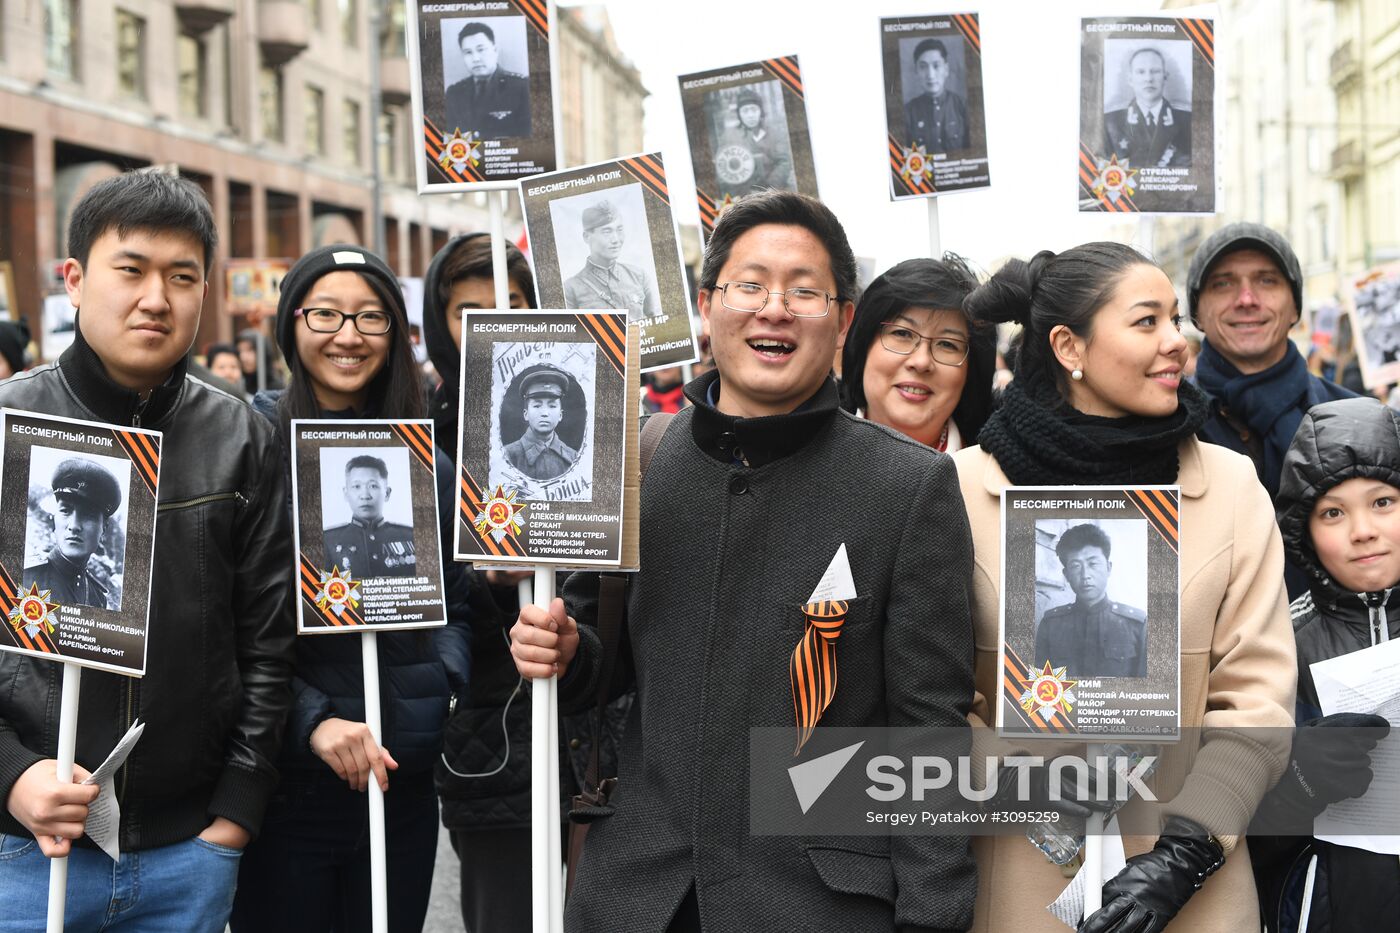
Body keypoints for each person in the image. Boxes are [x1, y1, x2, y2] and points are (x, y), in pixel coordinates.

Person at [511, 190, 978, 932]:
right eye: (750, 284)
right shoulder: (634, 460)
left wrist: (932, 915)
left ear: (844, 318)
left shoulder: (907, 487)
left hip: (818, 904)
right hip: (639, 895)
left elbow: (929, 731)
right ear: (707, 304)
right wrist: (564, 650)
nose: (775, 308)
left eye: (804, 289)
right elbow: (610, 669)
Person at [954, 243, 1296, 933]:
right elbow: (927, 701)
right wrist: (1030, 788)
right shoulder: (959, 491)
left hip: (1195, 896)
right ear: (1067, 345)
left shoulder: (1230, 491)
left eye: (1176, 318)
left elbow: (1256, 706)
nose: (1178, 341)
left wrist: (1185, 852)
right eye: (1148, 322)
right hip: (1023, 888)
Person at [0, 171, 295, 932]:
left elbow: (267, 642)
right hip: (24, 850)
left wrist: (234, 811)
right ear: (74, 278)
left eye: (181, 276)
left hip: (185, 856)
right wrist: (12, 775)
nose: (155, 298)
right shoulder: (7, 427)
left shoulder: (242, 436)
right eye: (130, 270)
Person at [229, 244, 471, 933]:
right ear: (290, 324)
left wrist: (441, 677)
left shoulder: (426, 459)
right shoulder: (248, 444)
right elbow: (221, 616)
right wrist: (309, 719)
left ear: (395, 331)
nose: (348, 335)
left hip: (402, 778)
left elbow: (455, 599)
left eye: (371, 318)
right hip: (283, 784)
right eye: (326, 314)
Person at [1249, 396, 1396, 933]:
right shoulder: (1278, 647)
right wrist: (1300, 782)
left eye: (1382, 502)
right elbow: (1245, 837)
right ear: (1304, 532)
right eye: (1333, 512)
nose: (1362, 530)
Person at [1189, 222, 1356, 597]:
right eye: (1223, 283)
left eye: (1266, 281)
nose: (1246, 299)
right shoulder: (1167, 425)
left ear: (1295, 305)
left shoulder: (1355, 417)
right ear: (1197, 311)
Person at [839, 255, 994, 452]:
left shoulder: (1000, 474)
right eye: (902, 333)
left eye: (947, 344)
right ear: (863, 344)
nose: (921, 362)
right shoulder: (805, 450)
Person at [1034, 523, 1148, 678]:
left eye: (1093, 563)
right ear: (1066, 574)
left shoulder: (1137, 625)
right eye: (1075, 566)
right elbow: (1041, 687)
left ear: (1108, 568)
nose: (1085, 574)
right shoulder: (1050, 624)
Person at [23, 457, 122, 610]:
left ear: (104, 528)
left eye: (88, 515)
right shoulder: (25, 577)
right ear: (54, 519)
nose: (74, 526)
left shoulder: (98, 598)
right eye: (65, 511)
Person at [560, 199, 661, 322]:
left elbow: (658, 323)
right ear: (587, 237)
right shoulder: (570, 289)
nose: (616, 239)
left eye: (619, 230)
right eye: (607, 231)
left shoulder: (639, 276)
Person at [323, 454, 417, 578]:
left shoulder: (410, 536)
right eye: (357, 486)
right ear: (346, 493)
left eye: (373, 486)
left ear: (387, 493)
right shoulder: (328, 540)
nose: (365, 495)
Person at [1102, 47, 1191, 169]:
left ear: (1165, 77)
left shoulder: (1187, 120)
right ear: (1130, 79)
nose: (1148, 79)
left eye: (1155, 71)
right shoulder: (1111, 121)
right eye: (1140, 72)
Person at [444, 21, 530, 139]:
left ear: (495, 50)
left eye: (481, 50)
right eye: (468, 52)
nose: (476, 58)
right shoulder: (454, 93)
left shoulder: (521, 87)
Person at [713, 88, 795, 198]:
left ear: (760, 111)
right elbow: (722, 169)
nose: (750, 115)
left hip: (772, 192)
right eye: (745, 111)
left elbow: (784, 162)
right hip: (742, 195)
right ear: (739, 114)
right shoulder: (729, 137)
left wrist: (770, 187)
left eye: (754, 110)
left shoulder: (774, 133)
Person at [502, 364, 579, 481]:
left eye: (552, 406)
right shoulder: (507, 456)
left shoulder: (573, 458)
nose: (545, 413)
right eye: (537, 406)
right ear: (526, 414)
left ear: (560, 415)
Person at [904, 38, 969, 153]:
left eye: (936, 66)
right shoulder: (908, 112)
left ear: (946, 69)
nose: (930, 75)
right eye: (923, 67)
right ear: (916, 71)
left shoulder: (963, 107)